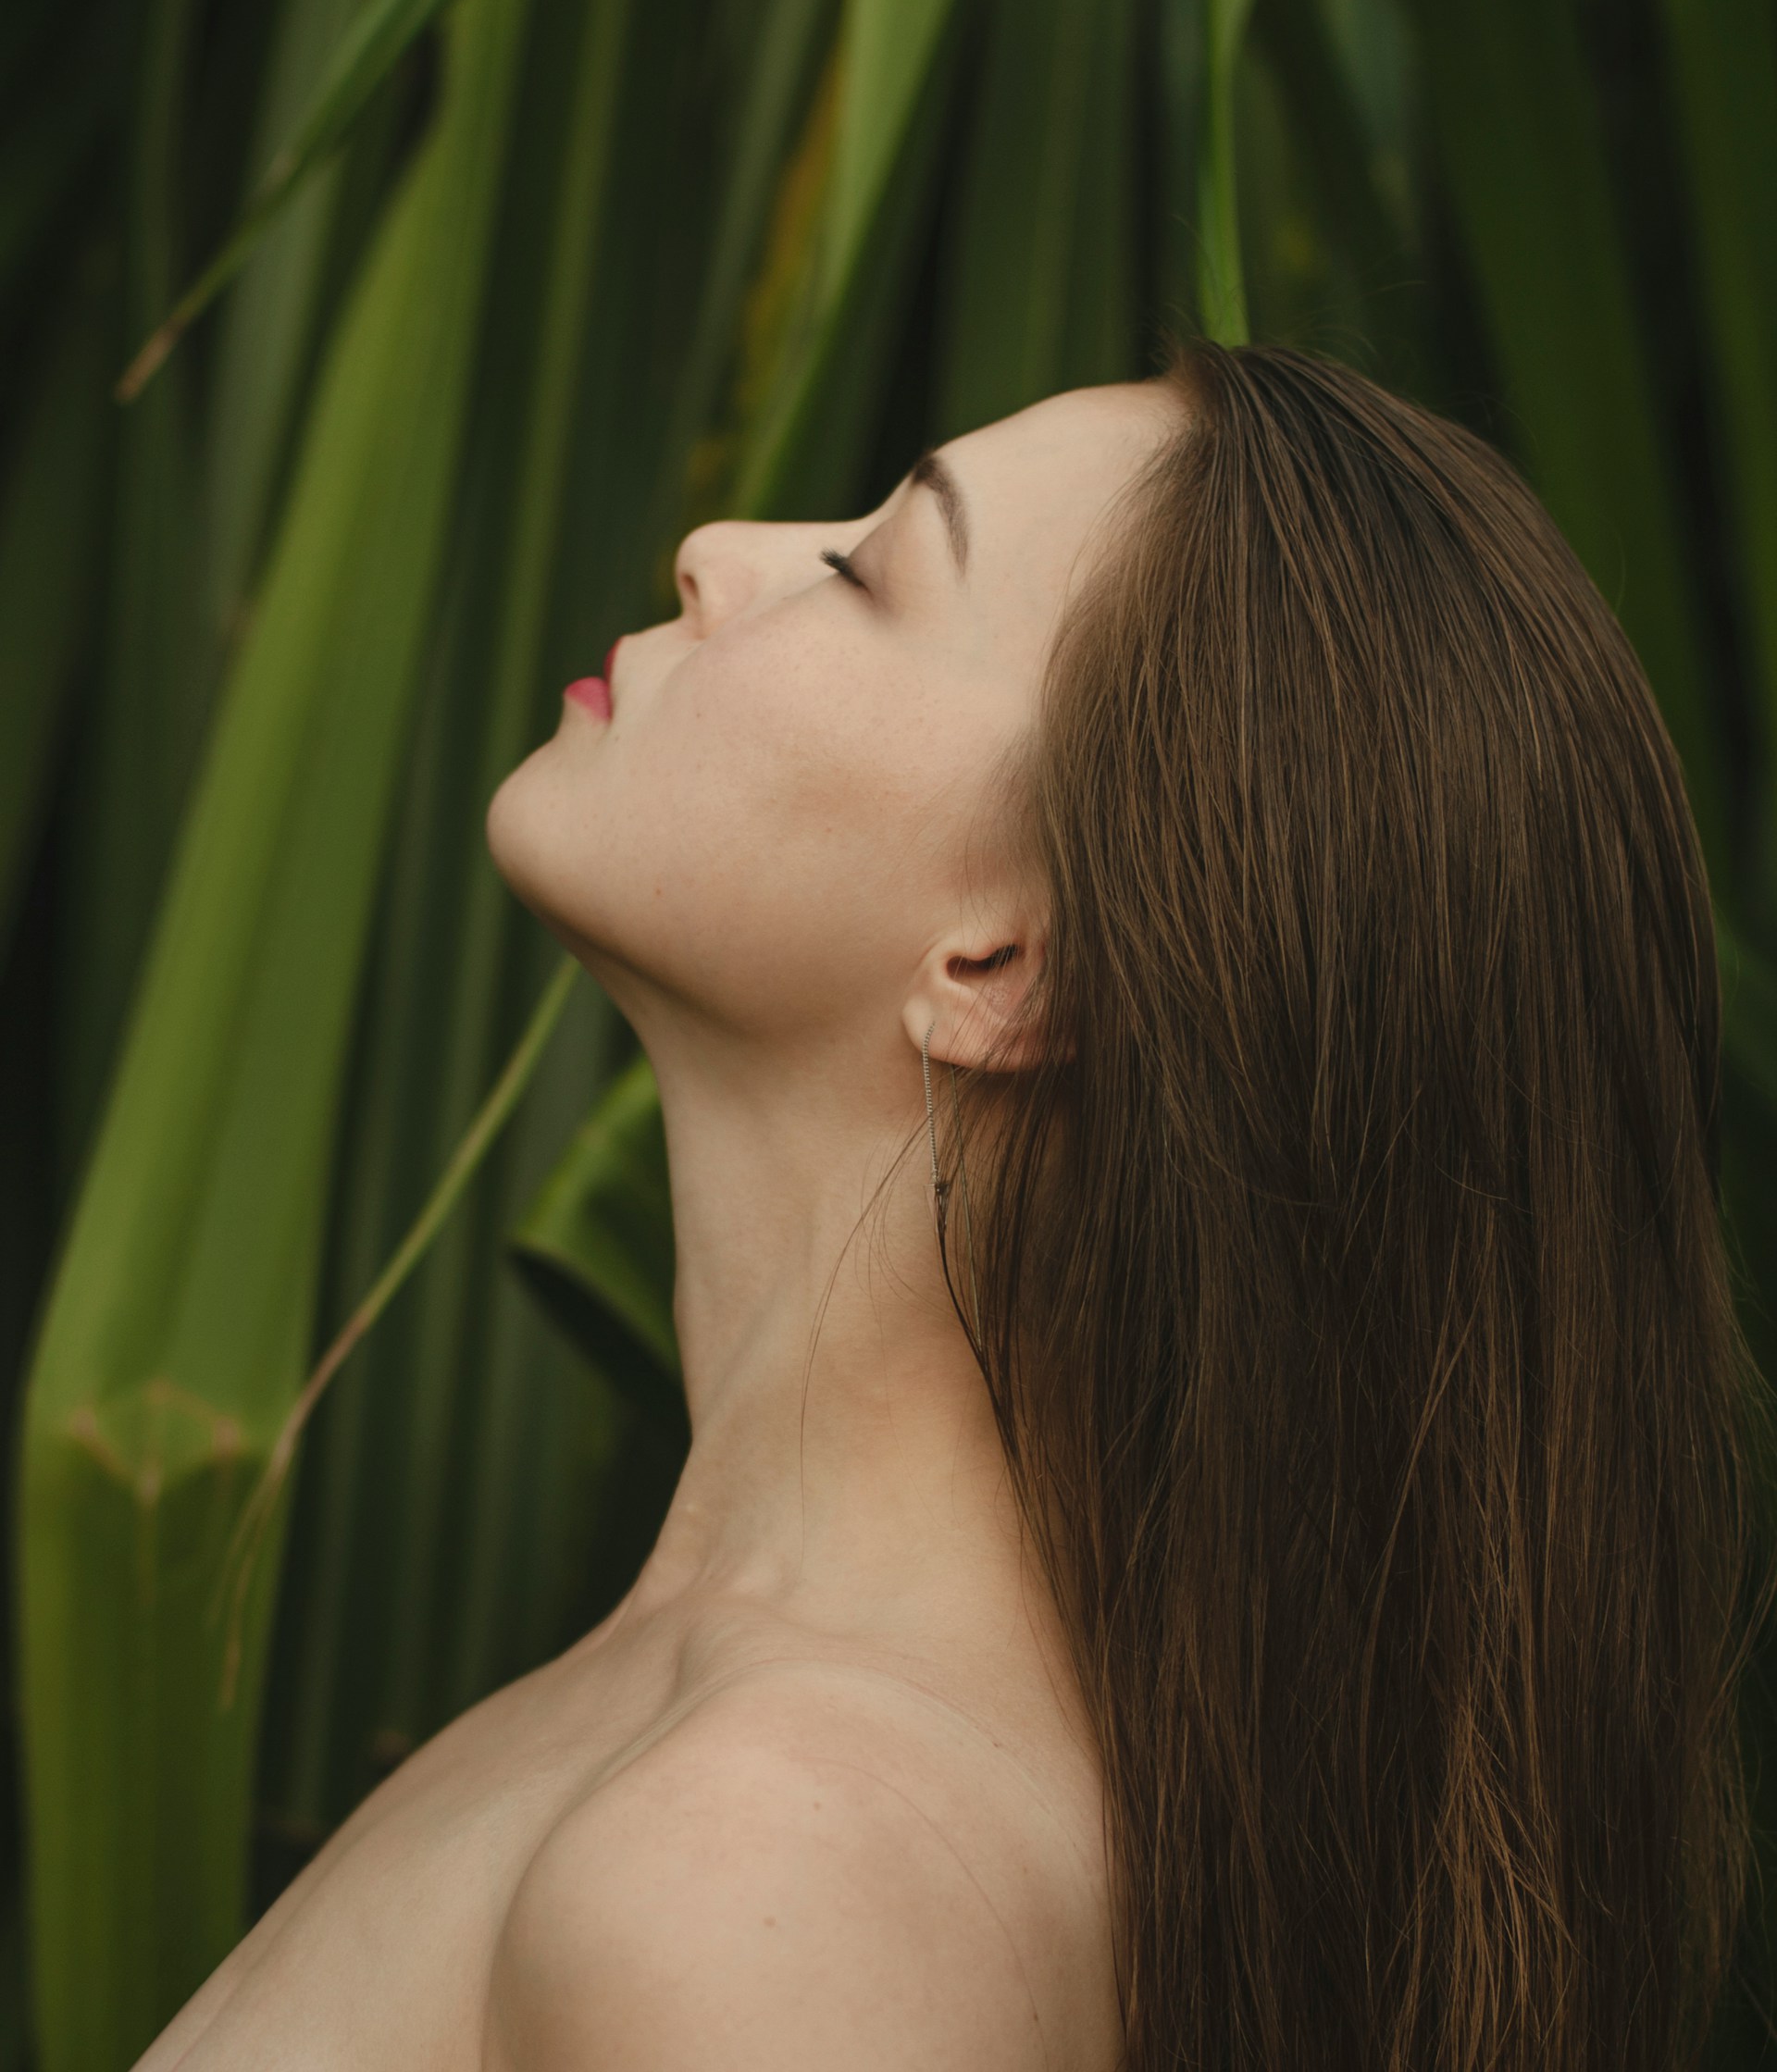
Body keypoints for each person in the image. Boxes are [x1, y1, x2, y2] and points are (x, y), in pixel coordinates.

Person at [133, 342, 1774, 2072]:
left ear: (1003, 964)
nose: (719, 548)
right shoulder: (737, 1766)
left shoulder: (777, 1867)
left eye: (864, 572)